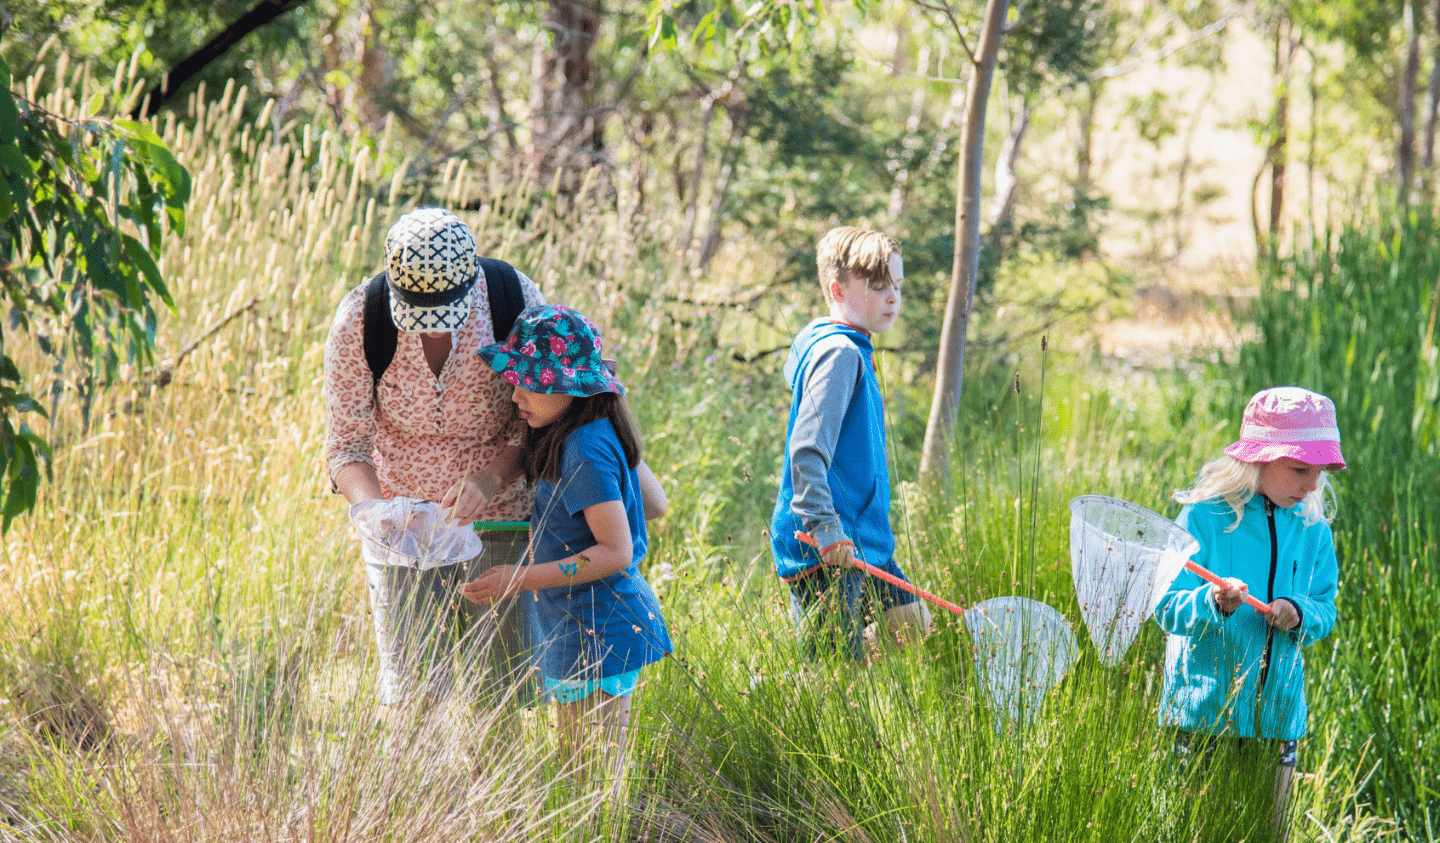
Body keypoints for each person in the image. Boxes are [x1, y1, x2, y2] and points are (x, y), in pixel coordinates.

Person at [323, 207, 544, 709]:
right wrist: (377, 512)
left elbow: (540, 423)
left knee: (501, 691)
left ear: (472, 285)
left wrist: (487, 482)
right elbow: (347, 447)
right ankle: (419, 788)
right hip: (404, 532)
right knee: (414, 692)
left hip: (502, 521)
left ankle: (492, 784)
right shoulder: (362, 319)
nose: (432, 334)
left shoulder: (515, 300)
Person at [460, 304, 672, 766]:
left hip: (596, 626)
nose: (516, 396)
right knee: (588, 764)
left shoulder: (583, 450)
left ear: (569, 386)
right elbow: (654, 504)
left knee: (590, 772)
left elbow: (615, 552)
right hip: (593, 621)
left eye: (530, 384)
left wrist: (516, 579)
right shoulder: (596, 432)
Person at [1154, 386, 1345, 838]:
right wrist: (1212, 602)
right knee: (1200, 832)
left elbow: (1325, 608)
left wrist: (1299, 612)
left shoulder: (1313, 530)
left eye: (1319, 470)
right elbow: (1163, 605)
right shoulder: (1203, 519)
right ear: (1258, 459)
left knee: (1269, 833)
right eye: (1300, 468)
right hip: (1203, 716)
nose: (1312, 484)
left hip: (1278, 719)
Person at [768, 226, 931, 664]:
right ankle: (817, 690)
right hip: (827, 543)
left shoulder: (854, 348)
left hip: (863, 537)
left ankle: (849, 665)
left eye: (897, 285)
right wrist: (824, 526)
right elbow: (805, 450)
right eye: (878, 286)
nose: (893, 297)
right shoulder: (838, 353)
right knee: (831, 669)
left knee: (911, 620)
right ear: (837, 290)